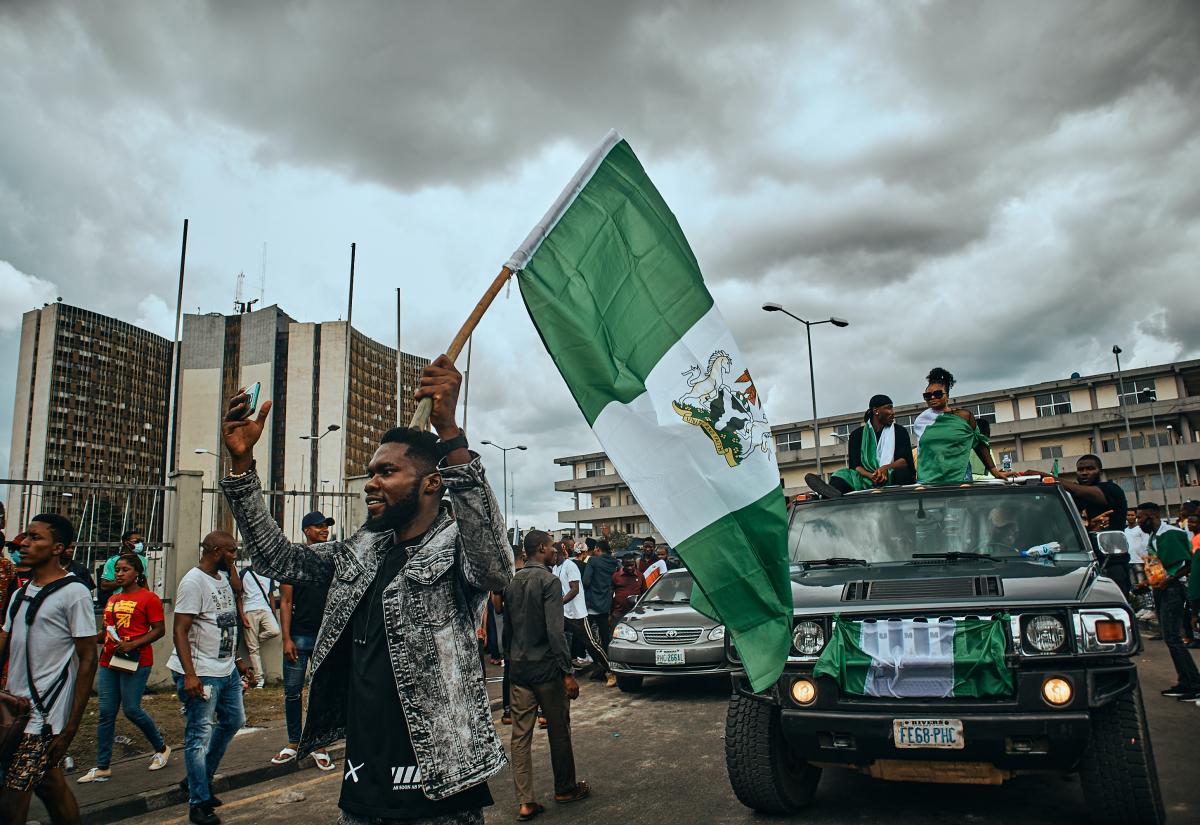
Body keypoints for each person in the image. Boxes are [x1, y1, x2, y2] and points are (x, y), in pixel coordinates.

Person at [220, 355, 512, 825]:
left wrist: (451, 435)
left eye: (386, 473)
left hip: (440, 786)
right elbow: (280, 560)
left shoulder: (456, 548)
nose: (371, 484)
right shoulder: (362, 551)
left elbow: (496, 570)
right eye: (371, 472)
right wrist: (241, 466)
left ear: (432, 483)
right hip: (362, 778)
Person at [0, 514, 98, 825]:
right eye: (24, 537)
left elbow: (87, 659)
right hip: (11, 712)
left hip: (40, 720)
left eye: (34, 538)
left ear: (58, 548)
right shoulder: (20, 593)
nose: (24, 544)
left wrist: (70, 727)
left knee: (11, 804)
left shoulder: (74, 593)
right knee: (51, 786)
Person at [503, 531, 589, 820]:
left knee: (520, 736)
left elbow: (508, 631)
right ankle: (565, 788)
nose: (555, 551)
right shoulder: (549, 582)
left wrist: (510, 662)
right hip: (547, 671)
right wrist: (567, 673)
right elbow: (555, 631)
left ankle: (525, 801)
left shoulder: (512, 582)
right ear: (541, 548)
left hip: (519, 670)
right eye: (552, 546)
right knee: (558, 729)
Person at [168, 531, 247, 825]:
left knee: (233, 720)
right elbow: (179, 630)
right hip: (201, 672)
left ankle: (198, 779)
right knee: (198, 736)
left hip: (224, 669)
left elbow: (232, 609)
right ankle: (198, 804)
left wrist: (238, 660)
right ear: (215, 550)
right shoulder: (193, 582)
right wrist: (190, 674)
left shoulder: (222, 578)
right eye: (231, 552)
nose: (235, 556)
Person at [77, 555, 170, 784]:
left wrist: (134, 643)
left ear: (137, 573)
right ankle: (102, 766)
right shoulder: (113, 599)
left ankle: (162, 747)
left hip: (136, 660)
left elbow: (159, 630)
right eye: (117, 570)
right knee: (106, 713)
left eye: (125, 569)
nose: (119, 574)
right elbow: (106, 630)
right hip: (109, 660)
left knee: (131, 709)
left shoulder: (149, 598)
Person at [272, 511, 335, 770]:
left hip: (326, 636)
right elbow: (285, 602)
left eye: (326, 526)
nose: (324, 530)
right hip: (299, 636)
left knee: (320, 693)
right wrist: (286, 638)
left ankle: (317, 744)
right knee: (293, 692)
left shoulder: (333, 560)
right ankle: (294, 742)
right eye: (319, 526)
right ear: (306, 530)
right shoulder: (295, 560)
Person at [1137, 502, 1200, 700]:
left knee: (1173, 637)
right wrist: (1148, 583)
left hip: (1172, 590)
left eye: (1140, 518)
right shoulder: (1155, 536)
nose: (1139, 522)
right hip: (1162, 588)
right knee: (1170, 637)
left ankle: (1193, 683)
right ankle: (1185, 681)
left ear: (1150, 516)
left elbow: (1185, 564)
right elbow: (1160, 566)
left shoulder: (1170, 533)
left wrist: (1169, 580)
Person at [914, 367, 1014, 485]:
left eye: (937, 394)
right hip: (930, 480)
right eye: (927, 395)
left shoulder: (964, 416)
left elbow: (979, 444)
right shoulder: (920, 421)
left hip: (960, 478)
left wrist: (994, 471)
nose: (932, 398)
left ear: (947, 395)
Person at [1047, 455, 1130, 595]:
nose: (1084, 472)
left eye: (1090, 468)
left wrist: (1046, 477)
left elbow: (1086, 492)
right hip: (1077, 563)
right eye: (1080, 469)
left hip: (1111, 563)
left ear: (1100, 471)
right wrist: (1089, 525)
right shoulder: (1069, 497)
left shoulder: (1111, 489)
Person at [816, 394, 915, 496]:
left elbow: (904, 461)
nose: (892, 412)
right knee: (842, 475)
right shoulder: (857, 435)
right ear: (876, 411)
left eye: (892, 408)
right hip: (866, 478)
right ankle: (826, 494)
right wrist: (872, 476)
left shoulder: (900, 431)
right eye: (888, 408)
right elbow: (856, 467)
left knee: (902, 473)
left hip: (890, 475)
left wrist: (884, 469)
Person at [581, 539, 619, 683]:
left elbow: (586, 581)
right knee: (606, 638)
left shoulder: (593, 561)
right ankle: (611, 668)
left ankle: (603, 667)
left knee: (587, 638)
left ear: (597, 549)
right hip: (605, 603)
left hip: (591, 604)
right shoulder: (614, 563)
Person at [238, 565, 279, 690]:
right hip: (249, 610)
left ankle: (252, 642)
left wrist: (273, 613)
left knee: (275, 630)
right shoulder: (244, 573)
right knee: (253, 650)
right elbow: (238, 596)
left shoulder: (269, 572)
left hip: (265, 609)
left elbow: (271, 595)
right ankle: (259, 679)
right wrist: (242, 615)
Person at [611, 554, 644, 624]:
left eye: (632, 565)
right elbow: (610, 594)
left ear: (635, 564)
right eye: (627, 565)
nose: (630, 568)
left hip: (635, 612)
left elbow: (644, 593)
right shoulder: (616, 576)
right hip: (618, 613)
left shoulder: (640, 575)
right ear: (622, 564)